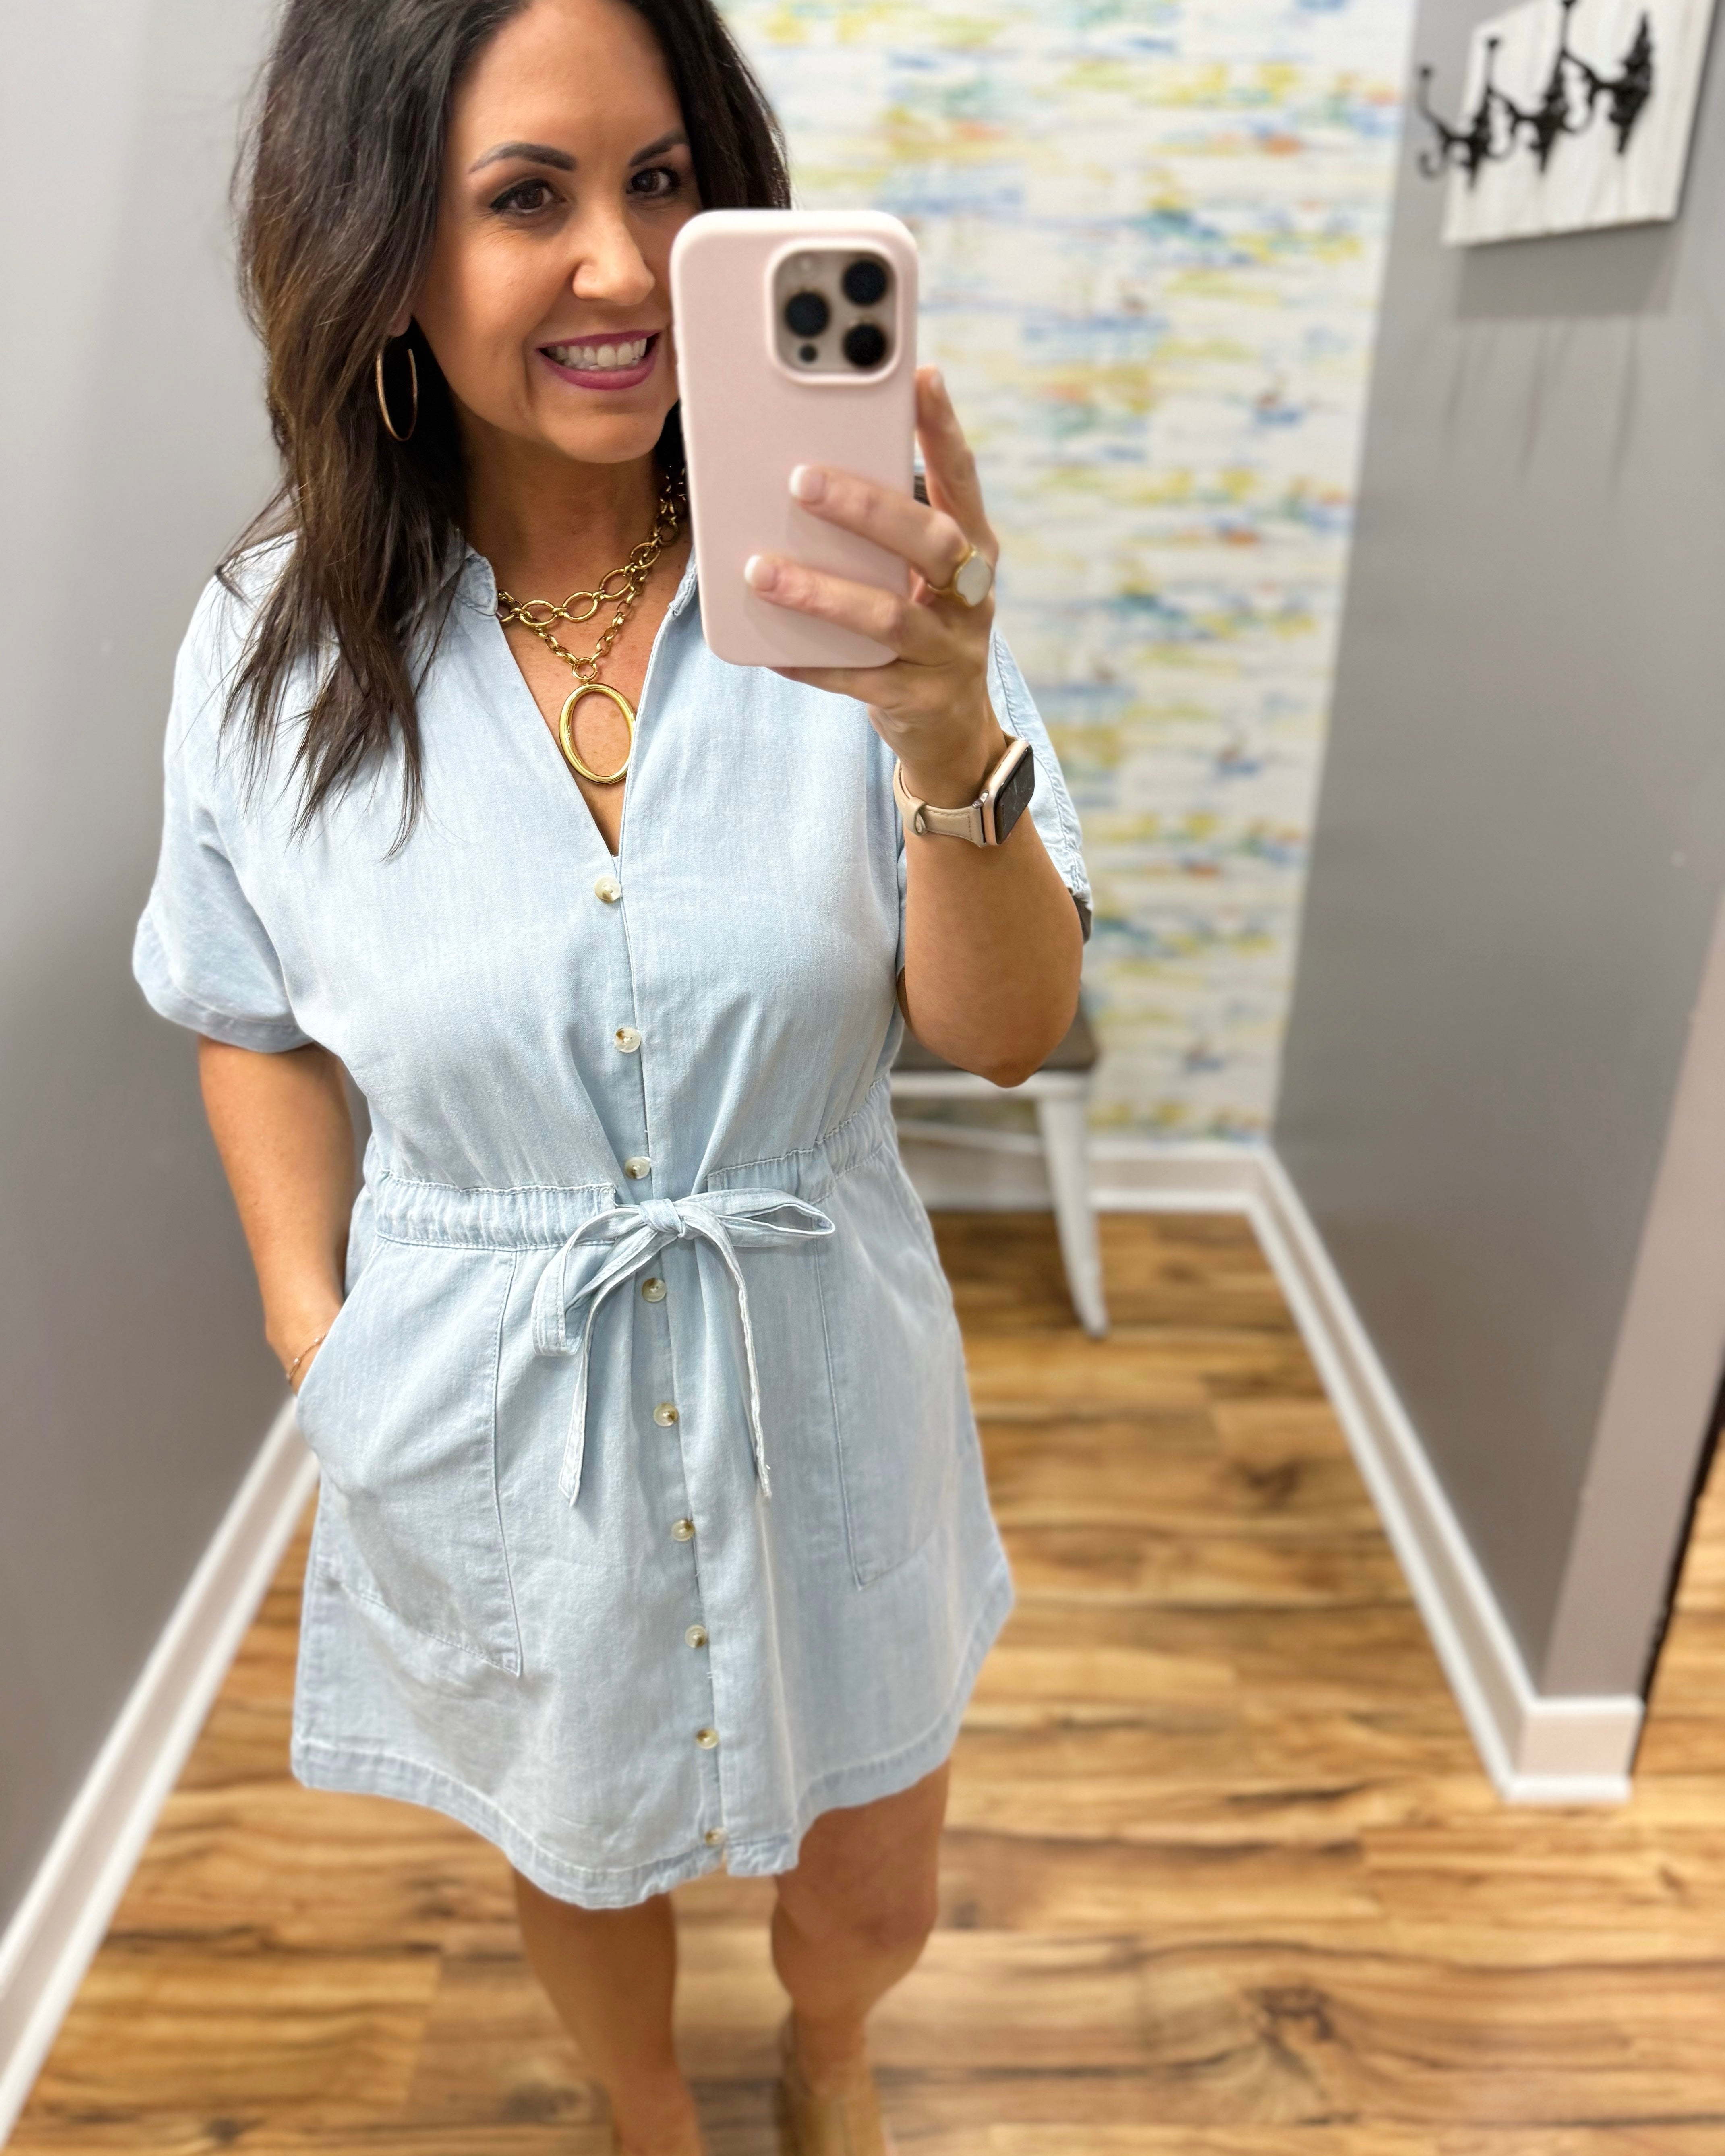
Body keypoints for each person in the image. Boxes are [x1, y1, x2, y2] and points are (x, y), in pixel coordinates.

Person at [133, 1, 1089, 2150]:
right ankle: (650, 2117)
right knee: (579, 1847)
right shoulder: (263, 652)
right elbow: (240, 1003)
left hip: (819, 1347)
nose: (628, 267)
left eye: (666, 183)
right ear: (381, 250)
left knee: (871, 1870)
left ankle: (827, 2051)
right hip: (489, 1399)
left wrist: (942, 728)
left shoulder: (865, 581)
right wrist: (315, 1321)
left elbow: (1006, 1031)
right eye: (526, 198)